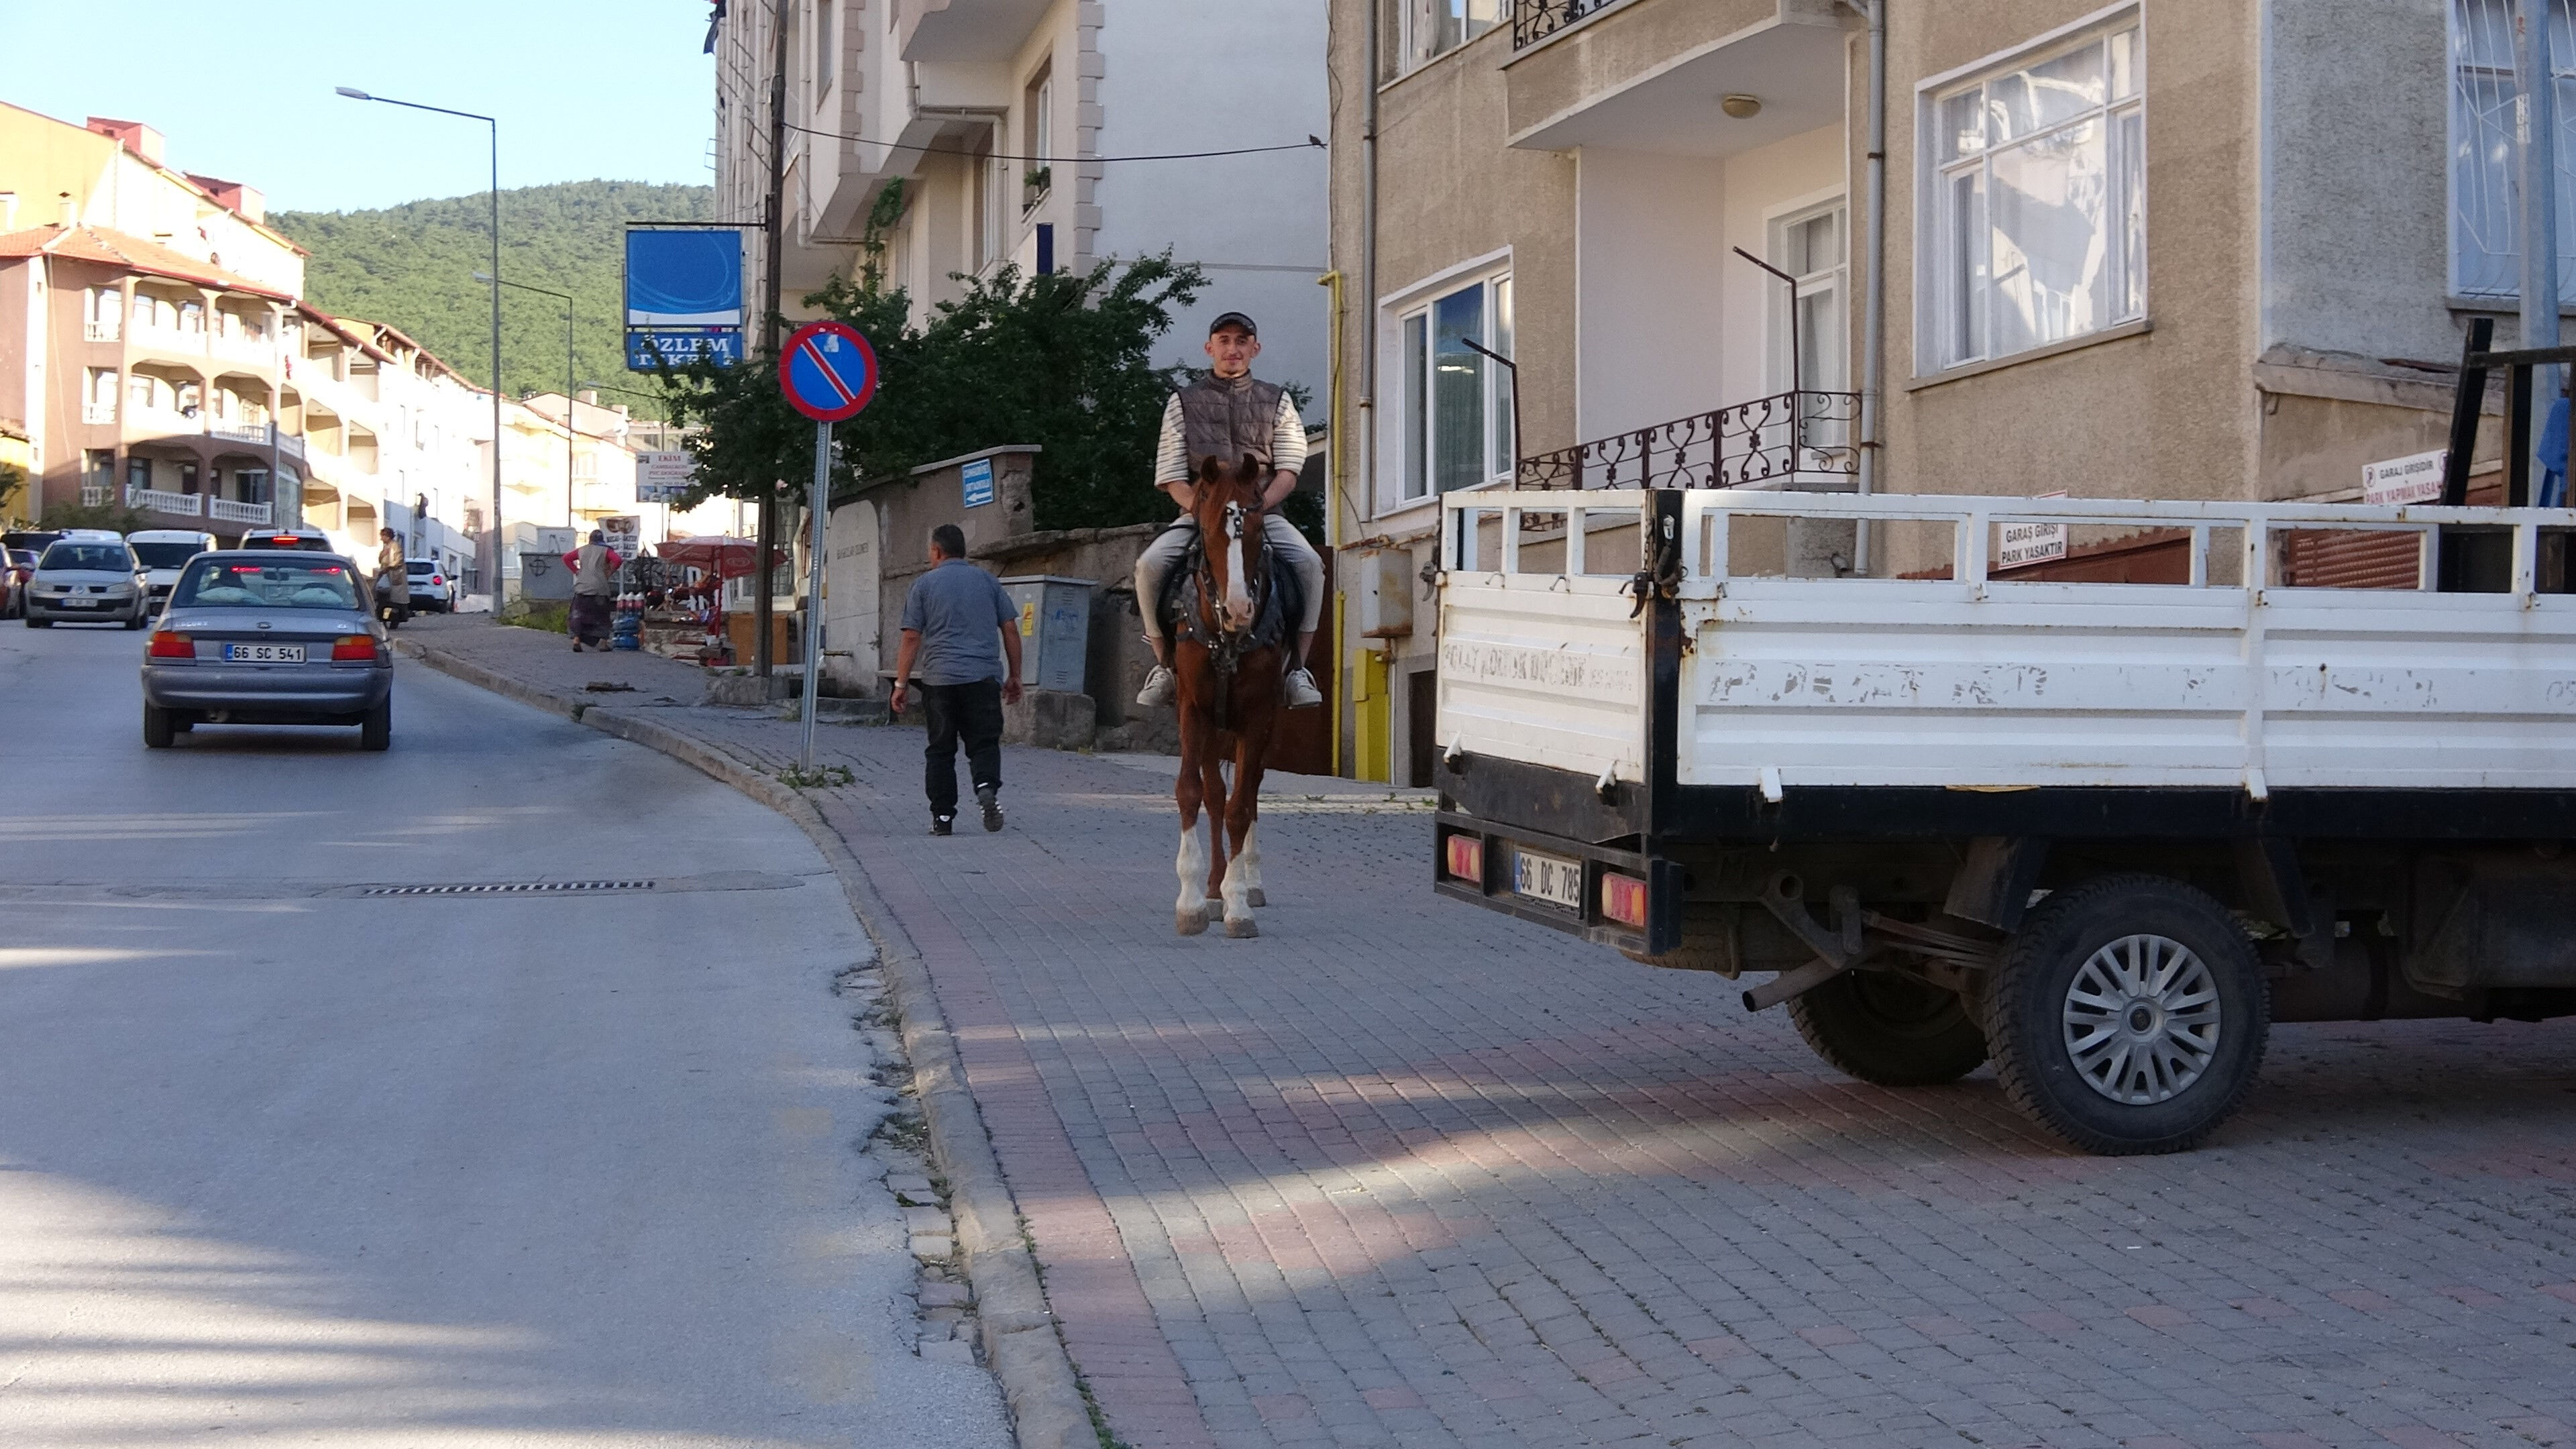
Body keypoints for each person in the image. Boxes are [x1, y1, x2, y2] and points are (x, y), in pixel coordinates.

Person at [1132, 311, 1326, 710]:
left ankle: (1298, 671)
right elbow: (1171, 476)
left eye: (1242, 341)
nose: (1233, 349)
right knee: (1148, 567)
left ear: (1255, 349)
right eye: (1224, 340)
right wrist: (1207, 514)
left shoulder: (1278, 400)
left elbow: (1289, 469)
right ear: (1210, 348)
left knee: (1309, 565)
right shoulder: (1182, 402)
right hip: (1200, 513)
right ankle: (1164, 667)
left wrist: (1256, 509)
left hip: (1265, 513)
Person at [890, 524, 1025, 835]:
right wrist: (1015, 676)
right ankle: (984, 787)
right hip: (982, 679)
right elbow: (1010, 630)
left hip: (939, 682)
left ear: (936, 551)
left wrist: (900, 684)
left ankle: (943, 818)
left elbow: (911, 637)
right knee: (984, 743)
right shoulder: (988, 582)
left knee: (940, 750)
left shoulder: (923, 585)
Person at [563, 529, 623, 652]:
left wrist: (577, 571)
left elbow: (566, 558)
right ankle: (603, 644)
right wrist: (610, 571)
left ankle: (576, 640)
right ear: (602, 540)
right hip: (600, 589)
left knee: (579, 616)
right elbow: (618, 560)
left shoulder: (582, 550)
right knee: (602, 616)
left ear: (590, 540)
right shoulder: (606, 550)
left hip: (582, 588)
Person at [374, 528, 411, 627]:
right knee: (384, 599)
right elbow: (381, 560)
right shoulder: (386, 546)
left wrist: (389, 567)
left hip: (395, 577)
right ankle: (384, 619)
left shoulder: (395, 546)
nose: (381, 538)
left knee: (395, 601)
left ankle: (395, 620)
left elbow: (398, 560)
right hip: (386, 575)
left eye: (383, 536)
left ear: (387, 536)